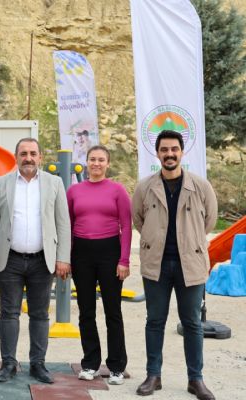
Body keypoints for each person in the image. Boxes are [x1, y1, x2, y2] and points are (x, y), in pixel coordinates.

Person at [132, 130, 217, 400]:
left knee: (192, 323)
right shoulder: (145, 187)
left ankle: (196, 379)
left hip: (190, 264)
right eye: (164, 150)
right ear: (157, 153)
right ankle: (153, 376)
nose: (169, 154)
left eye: (174, 149)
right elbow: (138, 219)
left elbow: (210, 221)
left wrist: (189, 242)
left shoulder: (200, 186)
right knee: (154, 321)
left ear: (182, 152)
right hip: (156, 264)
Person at [0, 138, 71, 384]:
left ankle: (38, 364)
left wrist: (63, 258)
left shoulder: (55, 183)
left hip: (42, 260)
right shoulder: (2, 183)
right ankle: (8, 364)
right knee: (8, 313)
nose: (28, 158)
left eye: (33, 153)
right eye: (23, 153)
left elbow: (63, 223)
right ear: (16, 157)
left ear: (40, 157)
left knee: (40, 314)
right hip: (9, 259)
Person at [66, 145, 131, 385]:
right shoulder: (74, 191)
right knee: (86, 311)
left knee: (113, 311)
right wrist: (67, 257)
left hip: (110, 252)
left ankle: (116, 366)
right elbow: (67, 225)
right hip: (81, 253)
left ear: (107, 163)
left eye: (101, 160)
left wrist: (124, 260)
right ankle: (90, 363)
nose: (96, 163)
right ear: (86, 162)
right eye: (92, 159)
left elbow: (126, 227)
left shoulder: (117, 190)